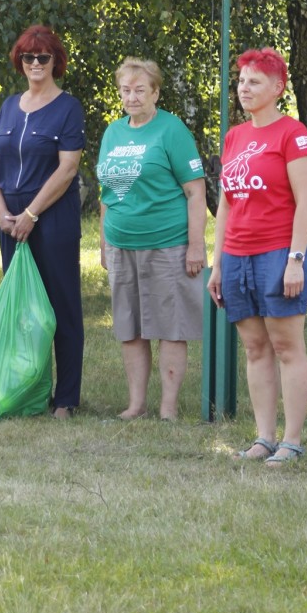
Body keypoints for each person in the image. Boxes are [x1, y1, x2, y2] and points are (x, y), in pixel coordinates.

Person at [207, 48, 307, 464]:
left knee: (287, 346)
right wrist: (218, 263)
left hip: (277, 252)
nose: (244, 89)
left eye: (254, 81)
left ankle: (291, 440)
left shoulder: (294, 134)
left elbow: (306, 202)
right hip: (236, 254)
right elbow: (226, 205)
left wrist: (295, 258)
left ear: (278, 87)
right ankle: (264, 438)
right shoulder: (235, 136)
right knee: (255, 348)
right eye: (241, 82)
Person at [97, 58, 207, 421]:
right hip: (121, 245)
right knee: (130, 328)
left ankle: (168, 408)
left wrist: (196, 246)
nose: (132, 97)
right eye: (126, 90)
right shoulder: (113, 132)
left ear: (156, 92)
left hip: (167, 245)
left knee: (171, 327)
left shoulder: (171, 130)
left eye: (140, 90)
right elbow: (106, 195)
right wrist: (103, 244)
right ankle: (136, 405)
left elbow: (195, 192)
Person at [0, 25, 85, 419]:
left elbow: (67, 169)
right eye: (29, 57)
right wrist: (0, 210)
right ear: (20, 61)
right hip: (10, 219)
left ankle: (66, 398)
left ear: (55, 62)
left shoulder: (68, 107)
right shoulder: (10, 105)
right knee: (20, 307)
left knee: (60, 306)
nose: (35, 64)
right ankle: (25, 389)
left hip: (52, 217)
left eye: (43, 57)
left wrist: (32, 214)